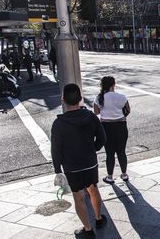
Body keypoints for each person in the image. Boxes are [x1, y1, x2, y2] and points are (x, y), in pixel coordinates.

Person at [51, 84, 107, 239]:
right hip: (90, 163)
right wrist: (92, 149)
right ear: (80, 99)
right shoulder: (91, 117)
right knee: (93, 189)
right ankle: (99, 218)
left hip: (72, 167)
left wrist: (57, 170)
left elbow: (56, 150)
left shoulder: (59, 124)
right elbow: (102, 138)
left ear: (63, 99)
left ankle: (88, 229)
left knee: (79, 197)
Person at [93, 76, 130, 184]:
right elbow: (128, 110)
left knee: (109, 153)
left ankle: (109, 177)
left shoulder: (99, 97)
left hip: (106, 127)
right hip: (121, 125)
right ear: (113, 84)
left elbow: (96, 112)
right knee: (121, 152)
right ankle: (124, 174)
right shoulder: (121, 96)